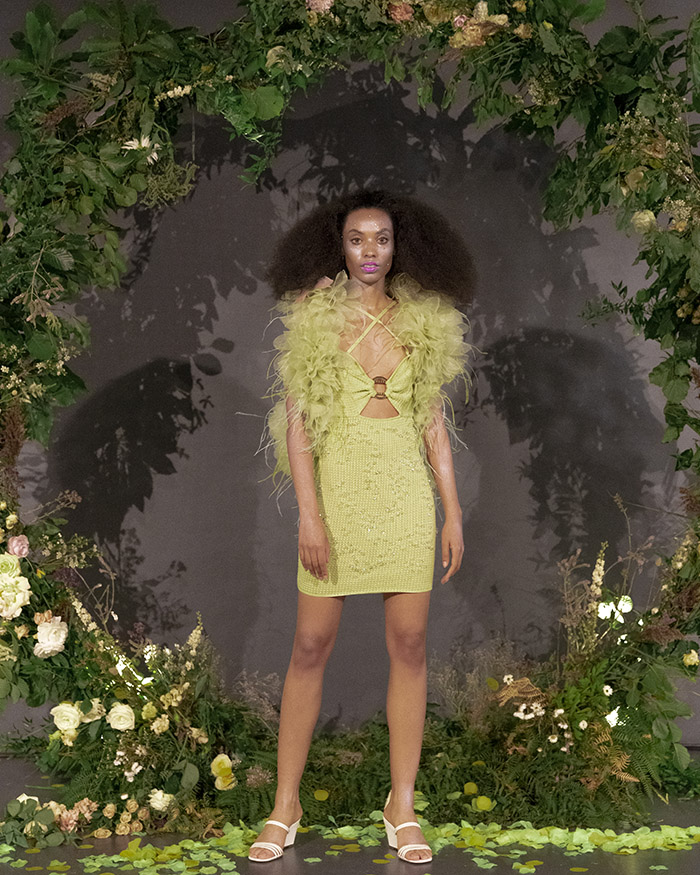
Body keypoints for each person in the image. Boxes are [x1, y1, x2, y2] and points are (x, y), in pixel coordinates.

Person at [249, 190, 475, 863]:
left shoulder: (421, 321)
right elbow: (298, 428)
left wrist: (453, 509)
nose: (369, 251)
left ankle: (401, 804)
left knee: (409, 644)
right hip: (337, 498)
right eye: (356, 239)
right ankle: (285, 804)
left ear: (399, 246)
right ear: (338, 246)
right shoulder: (315, 319)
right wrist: (310, 517)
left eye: (381, 238)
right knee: (309, 645)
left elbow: (432, 424)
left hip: (405, 497)